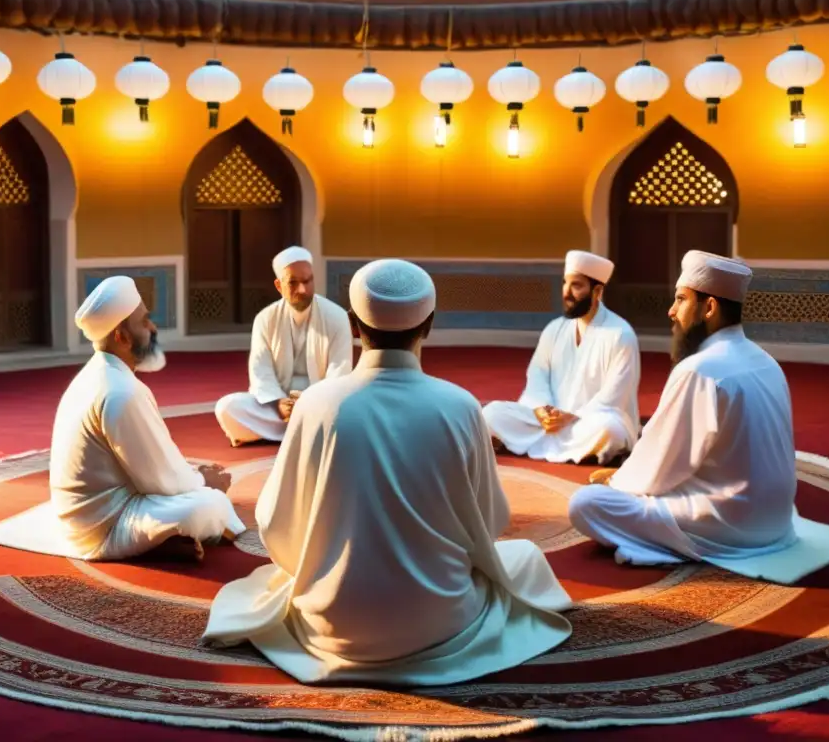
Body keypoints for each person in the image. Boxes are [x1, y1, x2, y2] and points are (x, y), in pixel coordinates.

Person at [201, 259, 572, 686]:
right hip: (441, 623)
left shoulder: (317, 404)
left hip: (332, 628)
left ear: (355, 326)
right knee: (523, 559)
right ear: (429, 325)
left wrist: (325, 567)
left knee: (268, 585)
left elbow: (273, 523)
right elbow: (488, 523)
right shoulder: (461, 406)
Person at [568, 251, 799, 566]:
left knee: (586, 503)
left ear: (710, 307)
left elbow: (663, 461)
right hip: (778, 519)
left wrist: (617, 481)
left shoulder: (700, 369)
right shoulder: (766, 361)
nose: (671, 311)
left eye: (680, 299)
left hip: (731, 524)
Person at [48, 276, 245, 562]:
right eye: (144, 322)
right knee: (208, 504)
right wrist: (206, 481)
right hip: (103, 527)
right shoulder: (121, 391)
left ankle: (167, 538)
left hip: (88, 515)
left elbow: (152, 469)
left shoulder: (97, 375)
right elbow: (163, 482)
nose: (153, 328)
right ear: (121, 337)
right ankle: (160, 539)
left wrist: (191, 475)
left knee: (194, 488)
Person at [483, 250, 641, 465]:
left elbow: (615, 396)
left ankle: (537, 443)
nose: (566, 293)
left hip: (587, 422)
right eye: (565, 283)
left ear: (597, 291)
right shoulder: (554, 329)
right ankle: (576, 449)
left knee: (609, 430)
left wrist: (571, 415)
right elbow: (537, 376)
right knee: (491, 413)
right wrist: (541, 410)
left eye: (576, 286)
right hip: (546, 424)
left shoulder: (620, 334)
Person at [214, 246, 353, 446]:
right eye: (293, 283)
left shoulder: (337, 316)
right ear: (279, 286)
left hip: (321, 403)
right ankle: (308, 432)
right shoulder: (265, 318)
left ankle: (296, 430)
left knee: (351, 410)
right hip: (279, 408)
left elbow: (340, 372)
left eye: (307, 281)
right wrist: (278, 402)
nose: (303, 290)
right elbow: (260, 369)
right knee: (227, 407)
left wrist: (309, 401)